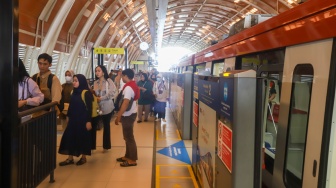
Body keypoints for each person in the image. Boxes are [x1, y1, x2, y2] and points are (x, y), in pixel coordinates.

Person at [58, 74, 93, 166]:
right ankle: (70, 158)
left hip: (82, 119)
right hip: (73, 119)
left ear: (81, 81)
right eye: (74, 80)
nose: (74, 82)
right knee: (69, 137)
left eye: (76, 80)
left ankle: (83, 157)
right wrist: (68, 116)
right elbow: (71, 106)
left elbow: (89, 108)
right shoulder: (73, 92)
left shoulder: (86, 93)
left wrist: (88, 121)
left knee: (82, 138)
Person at [115, 69, 140, 167]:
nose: (121, 78)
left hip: (128, 115)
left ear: (125, 76)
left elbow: (125, 103)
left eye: (122, 76)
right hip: (130, 113)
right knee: (127, 137)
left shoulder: (129, 88)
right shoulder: (132, 85)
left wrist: (118, 116)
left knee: (129, 138)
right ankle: (128, 156)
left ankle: (132, 159)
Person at [92, 65, 117, 152]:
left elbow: (112, 92)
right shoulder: (95, 83)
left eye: (99, 71)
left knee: (106, 126)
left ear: (103, 72)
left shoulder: (109, 81)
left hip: (107, 106)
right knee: (93, 125)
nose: (97, 72)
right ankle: (92, 146)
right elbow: (94, 93)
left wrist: (101, 98)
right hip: (97, 107)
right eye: (96, 71)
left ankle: (106, 146)